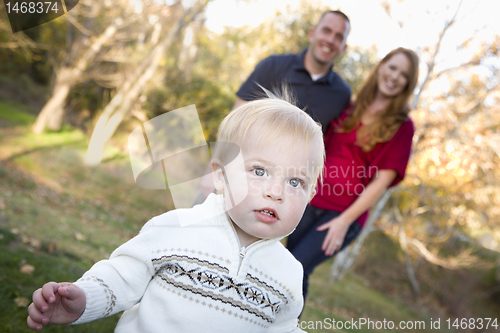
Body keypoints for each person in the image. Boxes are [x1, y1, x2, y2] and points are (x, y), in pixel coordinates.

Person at [27, 94, 325, 332]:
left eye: (295, 181)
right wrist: (84, 300)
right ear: (220, 176)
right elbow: (123, 276)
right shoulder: (177, 229)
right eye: (259, 171)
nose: (276, 191)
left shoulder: (288, 274)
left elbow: (282, 328)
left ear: (310, 196)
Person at [286, 47, 420, 303]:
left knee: (297, 267)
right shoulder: (351, 107)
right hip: (310, 199)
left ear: (408, 83)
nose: (394, 76)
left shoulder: (403, 126)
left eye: (403, 74)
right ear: (381, 66)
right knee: (287, 265)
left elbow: (381, 183)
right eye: (392, 67)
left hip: (342, 213)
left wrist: (344, 221)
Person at [235, 10, 352, 133]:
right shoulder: (272, 66)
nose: (330, 40)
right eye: (326, 31)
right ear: (312, 34)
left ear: (344, 48)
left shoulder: (343, 94)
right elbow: (236, 120)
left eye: (339, 37)